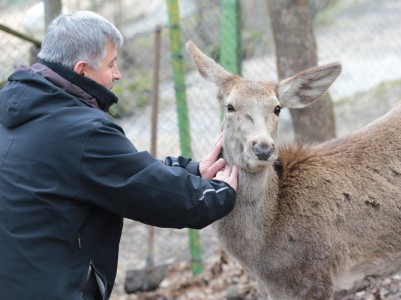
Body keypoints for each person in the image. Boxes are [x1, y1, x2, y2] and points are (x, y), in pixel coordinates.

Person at [0, 11, 238, 300]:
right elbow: (154, 194)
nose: (118, 73)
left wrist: (193, 171)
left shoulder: (14, 110)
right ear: (82, 69)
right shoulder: (82, 130)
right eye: (111, 64)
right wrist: (218, 193)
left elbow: (124, 172)